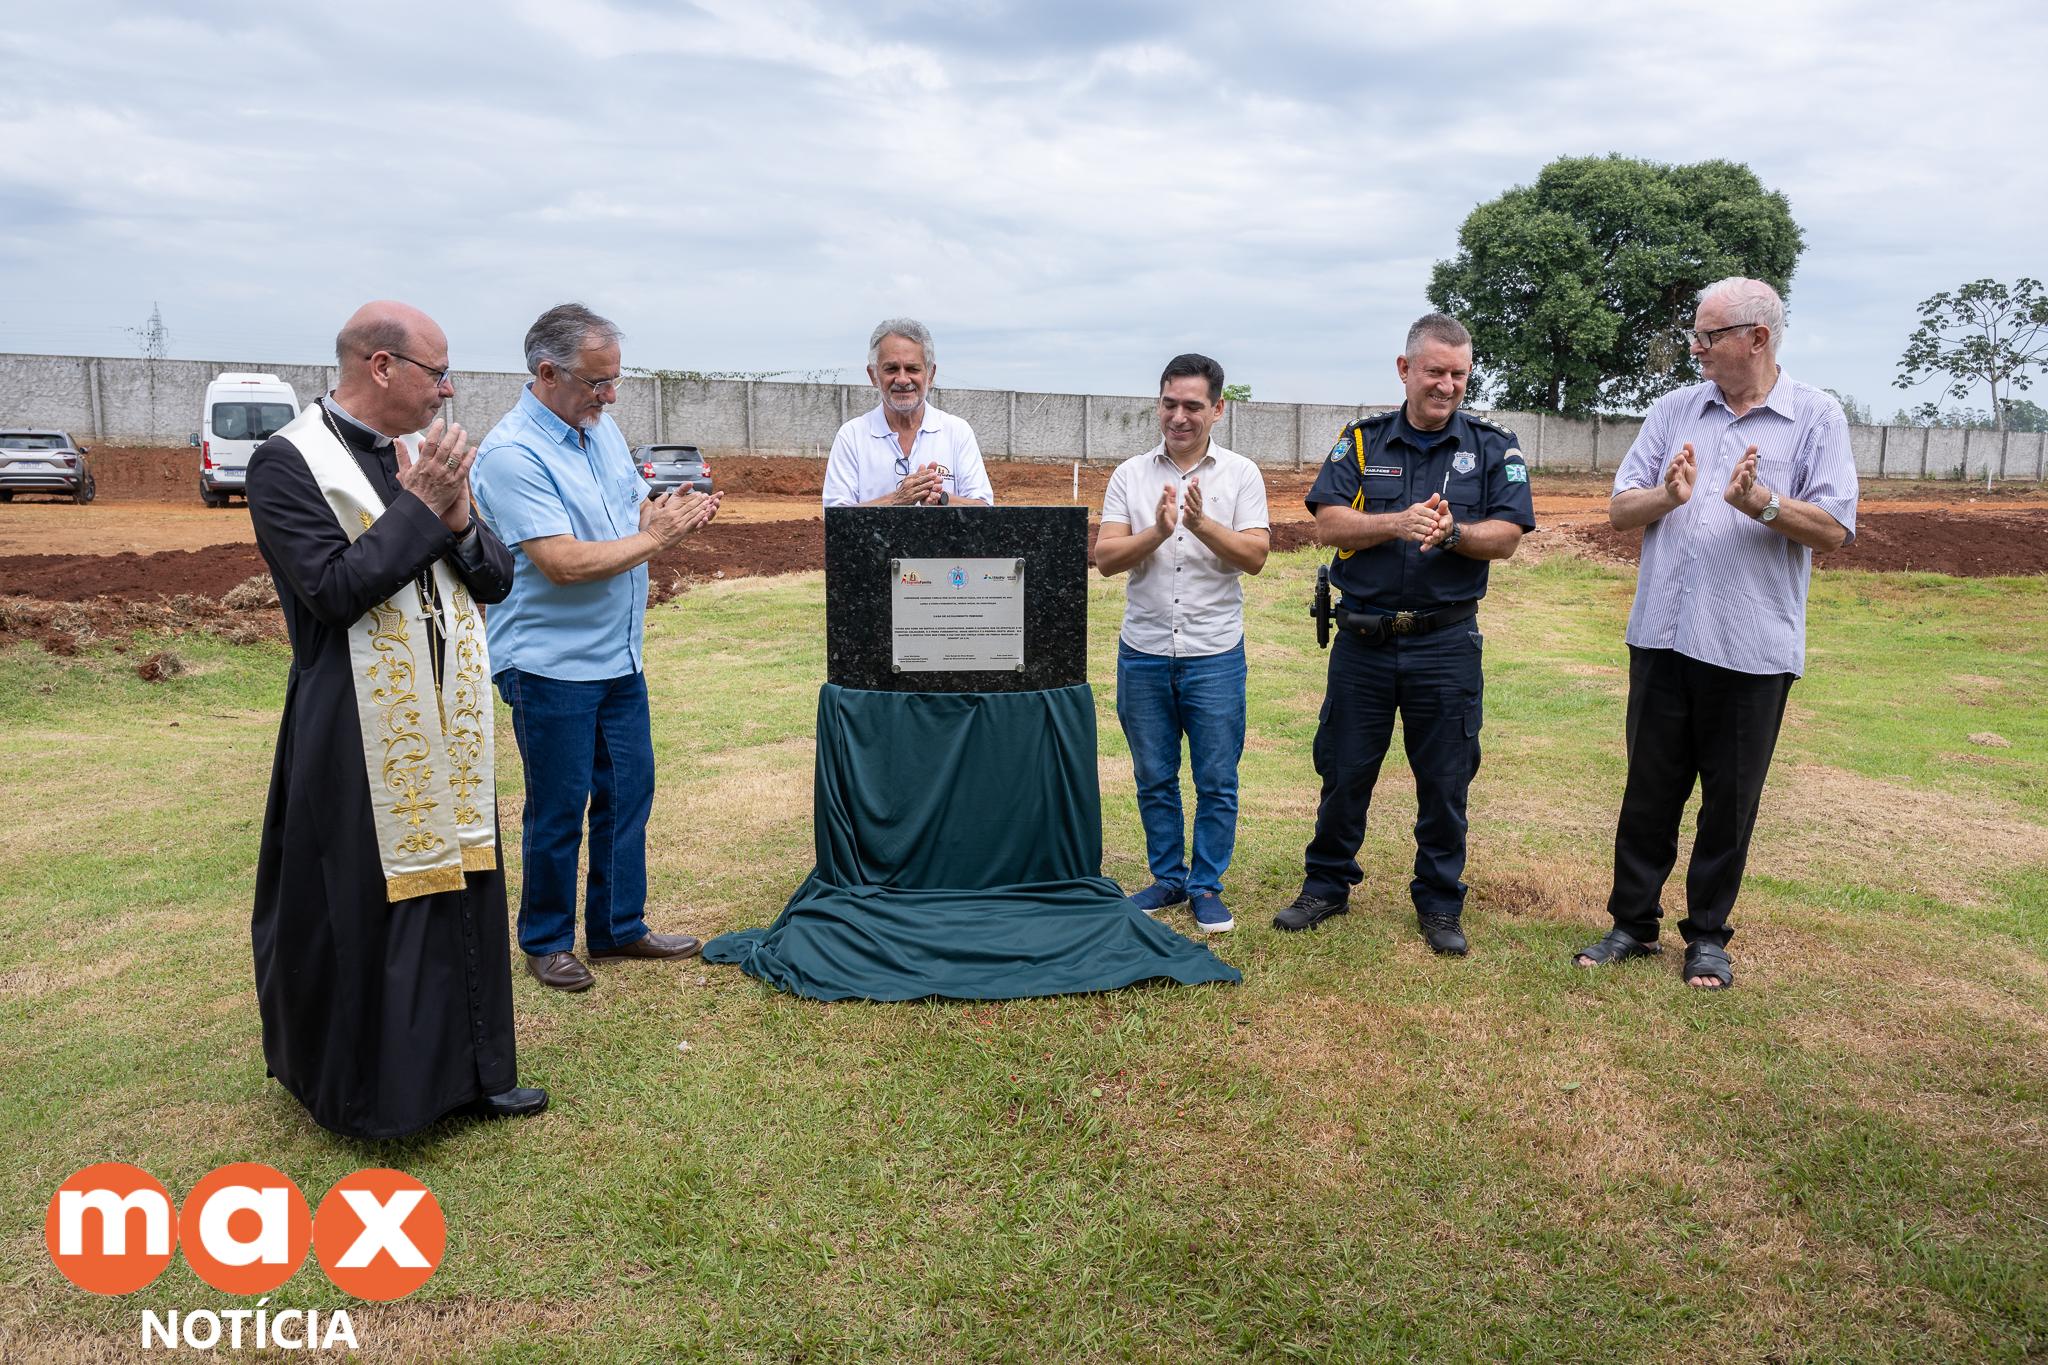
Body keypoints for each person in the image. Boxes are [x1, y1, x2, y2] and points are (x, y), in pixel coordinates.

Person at [245, 300, 545, 1138]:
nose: (445, 393)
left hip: (443, 715)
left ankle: (477, 1074)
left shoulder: (423, 456)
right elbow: (335, 591)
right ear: (381, 366)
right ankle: (383, 1096)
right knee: (369, 903)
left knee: (464, 886)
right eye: (435, 373)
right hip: (351, 722)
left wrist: (453, 516)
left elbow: (492, 580)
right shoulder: (285, 464)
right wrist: (420, 506)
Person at [1575, 278, 1858, 989]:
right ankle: (1632, 924)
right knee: (1649, 792)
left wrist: (1763, 505)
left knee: (1729, 803)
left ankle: (1706, 936)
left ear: (1756, 338)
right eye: (1696, 337)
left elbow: (1834, 529)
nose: (1695, 349)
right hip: (1663, 638)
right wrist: (1667, 497)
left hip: (1750, 648)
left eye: (1708, 336)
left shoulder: (1815, 418)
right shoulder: (1675, 411)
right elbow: (1618, 509)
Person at [471, 303, 721, 993]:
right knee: (559, 804)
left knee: (628, 791)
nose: (609, 395)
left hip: (618, 657)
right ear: (547, 372)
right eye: (596, 382)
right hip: (550, 664)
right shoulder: (512, 454)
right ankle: (547, 939)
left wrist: (669, 513)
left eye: (615, 380)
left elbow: (631, 507)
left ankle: (617, 926)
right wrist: (657, 540)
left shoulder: (599, 431)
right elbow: (562, 561)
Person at [1275, 313, 1534, 954]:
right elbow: (1329, 525)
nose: (1447, 385)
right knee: (1343, 769)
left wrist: (1454, 534)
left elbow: (1507, 536)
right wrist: (1397, 524)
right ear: (1404, 370)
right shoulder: (1361, 442)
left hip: (1445, 643)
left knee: (1446, 779)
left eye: (1459, 374)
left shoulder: (1494, 446)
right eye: (1435, 371)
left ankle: (1440, 903)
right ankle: (1326, 886)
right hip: (1362, 641)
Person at [1096, 354, 1270, 932]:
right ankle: (1169, 878)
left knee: (1217, 778)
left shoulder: (1241, 474)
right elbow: (1105, 559)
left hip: (1214, 653)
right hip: (1143, 651)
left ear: (1218, 409)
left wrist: (1199, 525)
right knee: (1154, 775)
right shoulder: (1131, 475)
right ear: (1159, 405)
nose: (1180, 416)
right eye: (1170, 404)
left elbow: (1255, 556)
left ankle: (1206, 885)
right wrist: (1158, 532)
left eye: (1193, 406)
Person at [822, 318, 995, 508]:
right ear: (873, 375)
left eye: (912, 369)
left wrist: (940, 499)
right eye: (891, 369)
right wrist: (896, 500)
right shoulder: (851, 436)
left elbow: (984, 508)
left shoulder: (957, 432)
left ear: (930, 375)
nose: (903, 379)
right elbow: (835, 519)